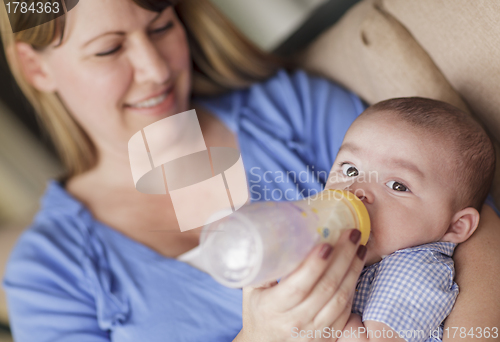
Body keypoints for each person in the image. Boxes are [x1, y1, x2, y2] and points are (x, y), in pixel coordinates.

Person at [0, 0, 498, 341]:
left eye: (161, 28)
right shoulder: (47, 271)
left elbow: (470, 220)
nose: (155, 69)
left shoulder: (290, 109)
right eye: (109, 49)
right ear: (36, 66)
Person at [323, 97, 495, 341]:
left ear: (455, 226)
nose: (356, 188)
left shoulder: (414, 268)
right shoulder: (372, 257)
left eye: (397, 185)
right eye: (350, 169)